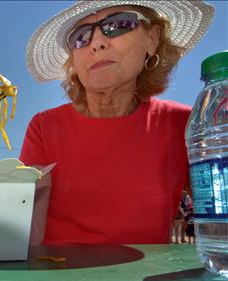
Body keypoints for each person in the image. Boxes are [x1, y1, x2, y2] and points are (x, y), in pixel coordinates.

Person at [19, 1, 214, 244]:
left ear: (152, 39)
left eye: (118, 25)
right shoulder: (44, 127)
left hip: (148, 279)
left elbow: (219, 212)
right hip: (55, 275)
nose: (98, 43)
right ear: (74, 61)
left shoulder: (184, 123)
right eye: (81, 37)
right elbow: (24, 232)